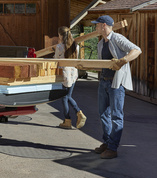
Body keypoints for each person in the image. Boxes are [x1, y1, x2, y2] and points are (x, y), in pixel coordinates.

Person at [91, 15, 142, 159]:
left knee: (116, 116)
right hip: (104, 82)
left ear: (104, 25)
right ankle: (107, 142)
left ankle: (113, 148)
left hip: (116, 83)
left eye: (97, 25)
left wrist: (123, 60)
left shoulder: (117, 38)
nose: (96, 27)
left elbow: (137, 50)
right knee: (103, 114)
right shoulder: (101, 44)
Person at [54, 26, 86, 129]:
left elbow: (56, 60)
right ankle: (77, 115)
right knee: (68, 96)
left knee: (65, 97)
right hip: (73, 73)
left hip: (64, 74)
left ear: (60, 35)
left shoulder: (59, 47)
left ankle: (71, 118)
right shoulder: (75, 46)